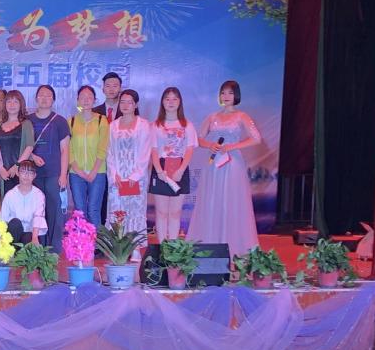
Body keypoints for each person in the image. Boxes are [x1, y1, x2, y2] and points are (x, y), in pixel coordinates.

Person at [186, 80, 262, 257]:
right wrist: (210, 145)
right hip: (213, 164)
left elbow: (256, 138)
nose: (226, 96)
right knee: (212, 200)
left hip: (232, 163)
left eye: (230, 93)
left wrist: (232, 146)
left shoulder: (242, 116)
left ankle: (235, 249)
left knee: (232, 201)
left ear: (236, 96)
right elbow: (197, 139)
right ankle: (209, 246)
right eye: (223, 93)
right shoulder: (212, 117)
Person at [106, 89, 153, 262]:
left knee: (135, 211)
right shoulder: (113, 126)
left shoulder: (143, 125)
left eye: (129, 102)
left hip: (136, 179)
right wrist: (114, 174)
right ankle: (118, 250)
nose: (125, 105)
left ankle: (135, 249)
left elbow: (145, 152)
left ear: (136, 104)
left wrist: (135, 175)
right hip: (118, 179)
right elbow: (109, 152)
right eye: (122, 102)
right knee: (118, 212)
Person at [22, 85, 70, 252]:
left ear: (53, 100)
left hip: (53, 173)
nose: (44, 98)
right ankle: (36, 247)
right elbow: (23, 146)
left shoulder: (60, 121)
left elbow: (65, 150)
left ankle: (54, 248)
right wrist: (32, 156)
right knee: (35, 210)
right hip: (31, 174)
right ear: (36, 98)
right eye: (41, 95)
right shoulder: (27, 120)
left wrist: (63, 174)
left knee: (54, 210)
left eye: (48, 96)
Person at [149, 87, 198, 241]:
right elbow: (153, 149)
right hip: (161, 168)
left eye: (174, 99)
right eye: (167, 99)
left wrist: (181, 170)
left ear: (180, 102)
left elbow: (189, 149)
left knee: (175, 212)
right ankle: (163, 247)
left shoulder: (187, 125)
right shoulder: (156, 125)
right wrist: (159, 171)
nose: (171, 102)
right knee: (161, 212)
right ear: (162, 102)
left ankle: (173, 247)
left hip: (180, 167)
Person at [68, 85, 109, 229]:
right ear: (77, 100)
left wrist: (94, 171)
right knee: (80, 211)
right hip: (76, 173)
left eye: (89, 97)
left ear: (95, 100)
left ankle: (96, 241)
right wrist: (78, 171)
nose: (86, 100)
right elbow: (68, 149)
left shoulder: (101, 120)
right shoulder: (71, 121)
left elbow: (103, 147)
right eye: (82, 97)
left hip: (97, 172)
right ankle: (80, 241)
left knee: (93, 210)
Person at [0, 159, 48, 246]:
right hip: (13, 233)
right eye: (23, 171)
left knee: (28, 239)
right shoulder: (10, 195)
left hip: (31, 232)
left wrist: (34, 238)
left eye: (30, 172)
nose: (26, 175)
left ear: (34, 175)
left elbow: (38, 217)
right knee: (15, 223)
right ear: (17, 173)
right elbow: (3, 219)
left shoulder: (39, 195)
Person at [0, 89, 34, 197]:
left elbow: (29, 147)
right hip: (3, 172)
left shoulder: (26, 124)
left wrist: (17, 165)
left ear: (21, 104)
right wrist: (0, 168)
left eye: (15, 101)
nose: (12, 105)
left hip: (20, 171)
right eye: (9, 101)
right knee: (4, 201)